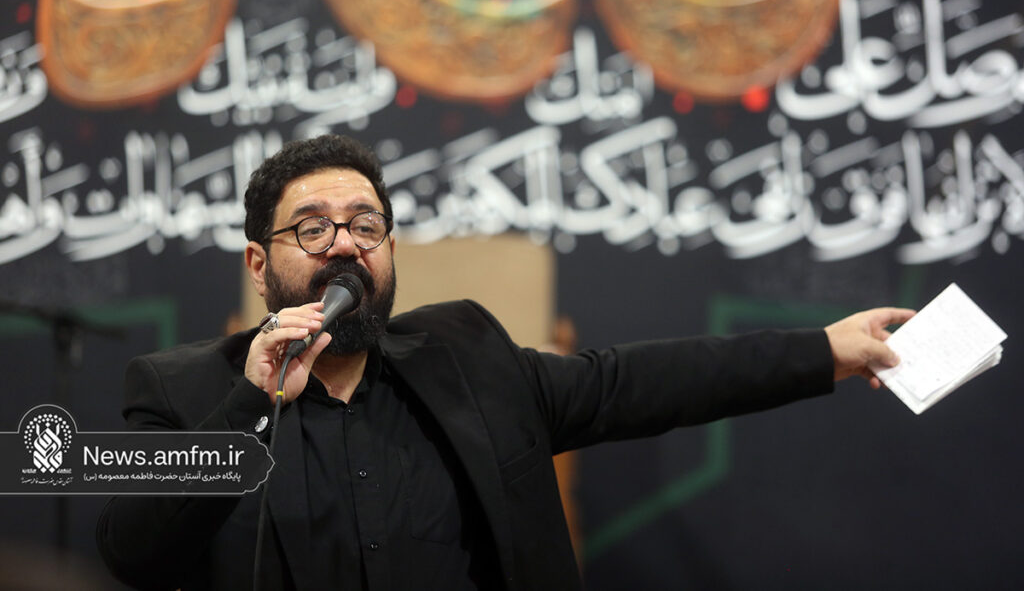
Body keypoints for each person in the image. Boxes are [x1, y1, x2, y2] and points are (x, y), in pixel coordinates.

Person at [96, 134, 913, 591]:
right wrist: (250, 406)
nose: (345, 242)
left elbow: (638, 383)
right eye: (313, 228)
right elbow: (133, 552)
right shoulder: (182, 389)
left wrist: (824, 350)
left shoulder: (465, 358)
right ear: (258, 263)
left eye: (366, 225)